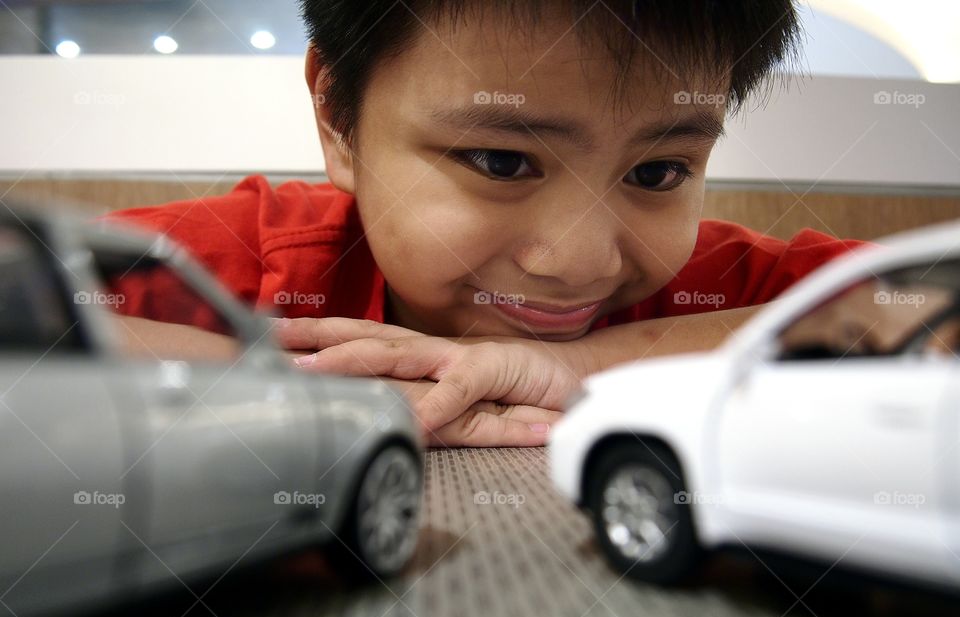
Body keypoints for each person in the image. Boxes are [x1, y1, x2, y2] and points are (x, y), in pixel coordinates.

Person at [104, 0, 868, 447]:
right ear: (339, 118)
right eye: (501, 163)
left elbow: (935, 306)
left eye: (656, 173)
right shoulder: (228, 261)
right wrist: (307, 390)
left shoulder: (729, 292)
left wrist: (579, 367)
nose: (577, 262)